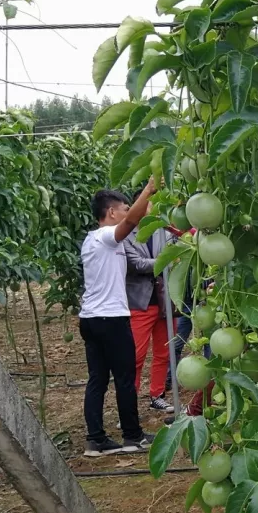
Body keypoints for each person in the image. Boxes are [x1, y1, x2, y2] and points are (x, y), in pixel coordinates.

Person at [79, 177, 158, 457]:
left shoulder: (90, 240)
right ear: (111, 213)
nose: (128, 213)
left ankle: (96, 439)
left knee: (97, 379)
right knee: (125, 378)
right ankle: (132, 436)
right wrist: (148, 190)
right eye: (124, 208)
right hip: (111, 319)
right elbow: (131, 222)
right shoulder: (105, 237)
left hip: (90, 318)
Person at [124, 227, 174, 413]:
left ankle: (157, 395)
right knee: (135, 356)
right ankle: (129, 403)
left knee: (163, 352)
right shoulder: (127, 235)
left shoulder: (165, 232)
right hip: (140, 303)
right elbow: (136, 264)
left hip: (165, 302)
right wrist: (166, 262)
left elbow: (177, 258)